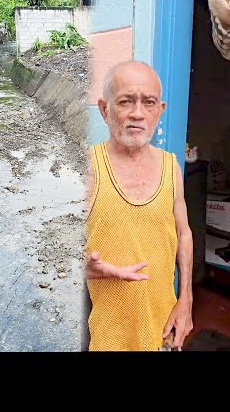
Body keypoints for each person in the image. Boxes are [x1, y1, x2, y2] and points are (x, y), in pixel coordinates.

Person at [85, 60, 193, 351]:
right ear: (104, 109)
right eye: (125, 102)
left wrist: (186, 299)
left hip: (164, 334)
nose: (137, 114)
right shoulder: (85, 170)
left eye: (149, 103)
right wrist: (88, 268)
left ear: (160, 110)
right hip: (111, 339)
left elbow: (184, 234)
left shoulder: (172, 168)